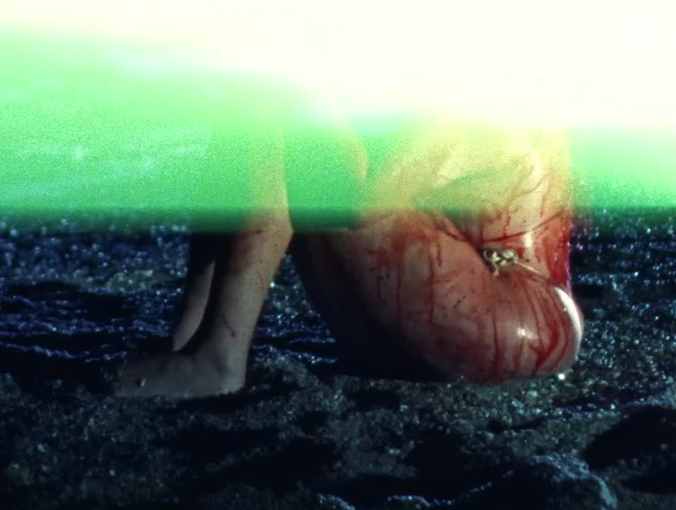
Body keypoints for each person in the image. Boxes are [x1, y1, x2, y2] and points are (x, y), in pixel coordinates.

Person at [116, 114, 584, 397]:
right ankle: (192, 340)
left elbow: (358, 202)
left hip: (513, 320)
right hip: (495, 307)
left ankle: (218, 358)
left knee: (279, 105)